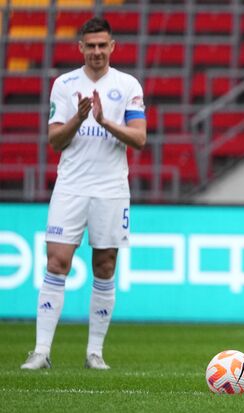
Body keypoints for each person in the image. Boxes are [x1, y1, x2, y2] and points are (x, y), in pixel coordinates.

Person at [21, 16, 146, 370]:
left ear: (112, 47)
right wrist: (79, 118)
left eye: (102, 45)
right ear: (80, 48)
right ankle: (41, 351)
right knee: (56, 262)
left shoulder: (128, 85)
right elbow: (55, 140)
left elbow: (139, 139)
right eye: (89, 46)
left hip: (111, 188)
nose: (96, 52)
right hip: (71, 186)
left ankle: (95, 353)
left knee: (104, 266)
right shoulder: (64, 84)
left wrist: (105, 121)